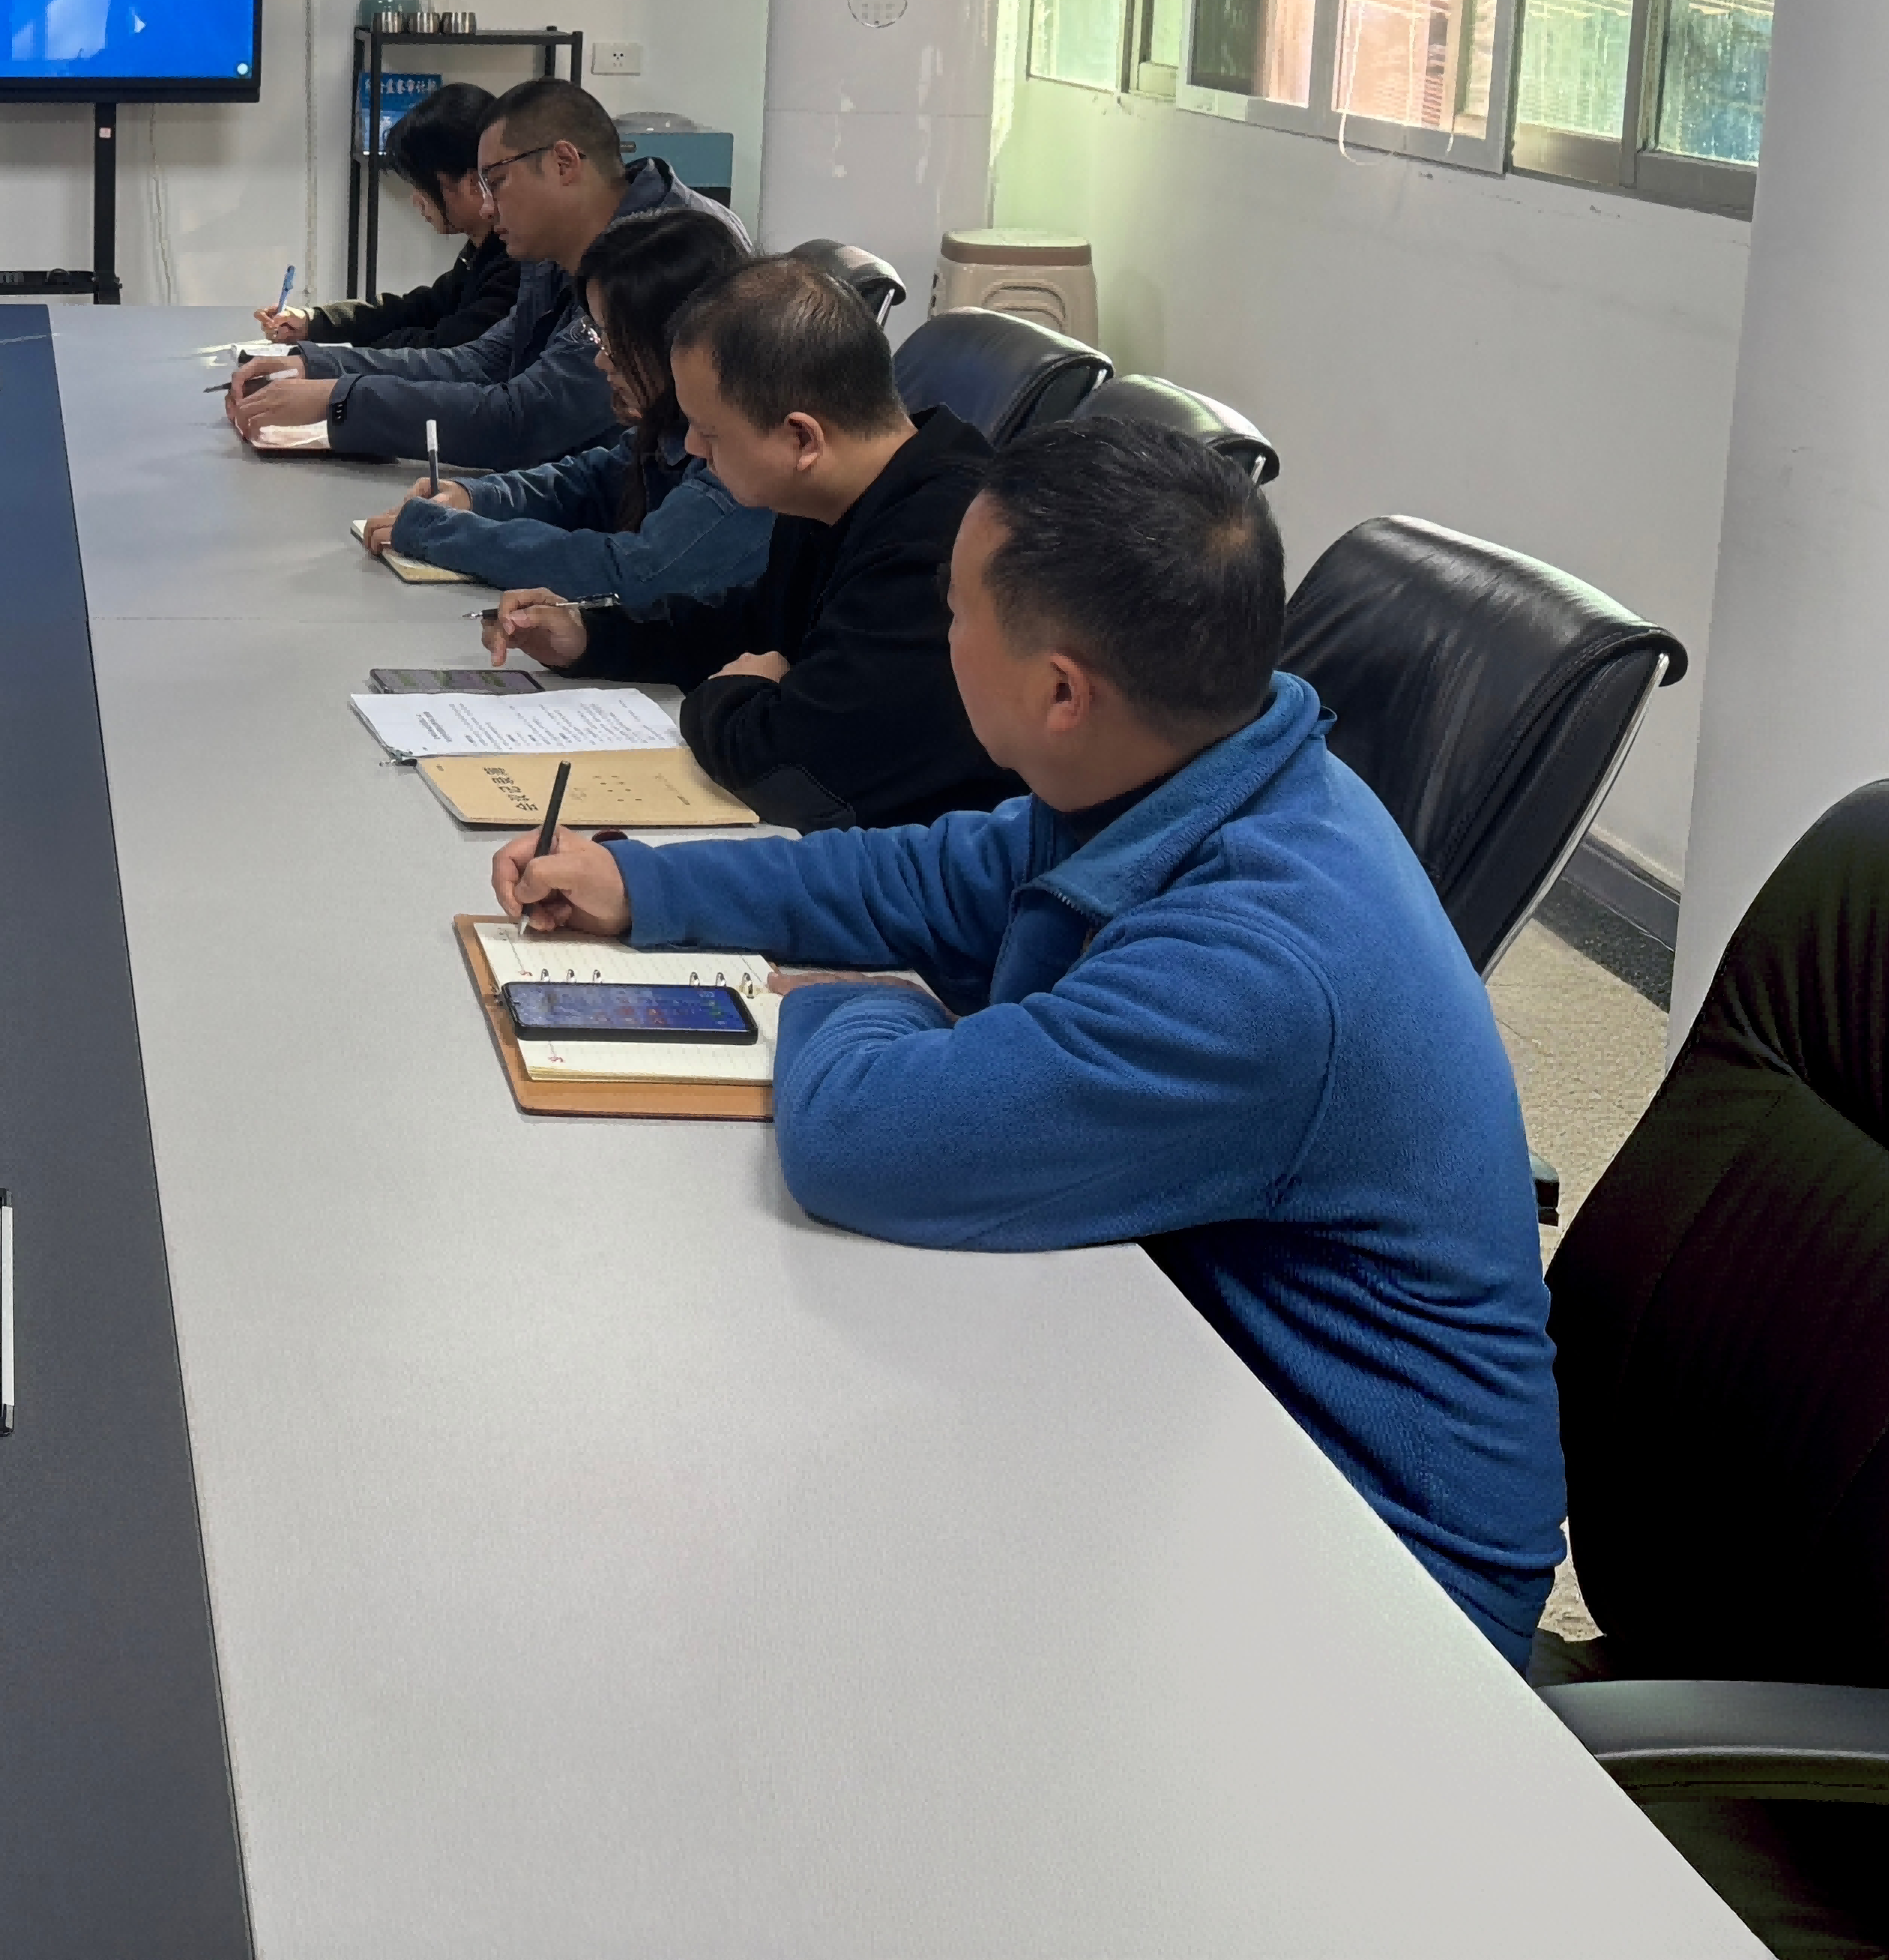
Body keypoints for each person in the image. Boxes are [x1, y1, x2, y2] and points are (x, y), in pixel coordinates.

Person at [489, 419, 1564, 1662]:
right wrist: (651, 885)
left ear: (1060, 691)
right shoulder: (1192, 763)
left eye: (956, 612)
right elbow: (934, 876)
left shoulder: (1262, 965)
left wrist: (863, 994)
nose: (940, 632)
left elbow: (863, 1136)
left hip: (1377, 1584)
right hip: (1198, 1408)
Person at [486, 254, 1008, 828]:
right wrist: (591, 635)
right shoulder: (837, 493)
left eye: (709, 431)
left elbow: (793, 768)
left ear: (801, 439)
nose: (693, 448)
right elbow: (749, 626)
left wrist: (727, 694)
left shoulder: (943, 547)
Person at [228, 76, 745, 465]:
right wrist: (316, 364)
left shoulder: (667, 254)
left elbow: (525, 420)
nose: (488, 207)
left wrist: (339, 398)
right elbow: (482, 362)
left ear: (564, 163)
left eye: (495, 182)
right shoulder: (554, 247)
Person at [358, 205, 773, 604]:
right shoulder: (671, 428)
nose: (602, 360)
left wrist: (442, 533)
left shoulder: (742, 461)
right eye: (597, 336)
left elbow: (631, 574)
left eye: (614, 338)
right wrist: (476, 497)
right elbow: (591, 482)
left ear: (679, 340)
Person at [257, 82, 515, 352]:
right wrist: (314, 322)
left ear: (473, 184)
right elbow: (418, 310)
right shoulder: (480, 253)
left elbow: (446, 350)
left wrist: (339, 355)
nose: (416, 199)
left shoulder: (515, 263)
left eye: (421, 184)